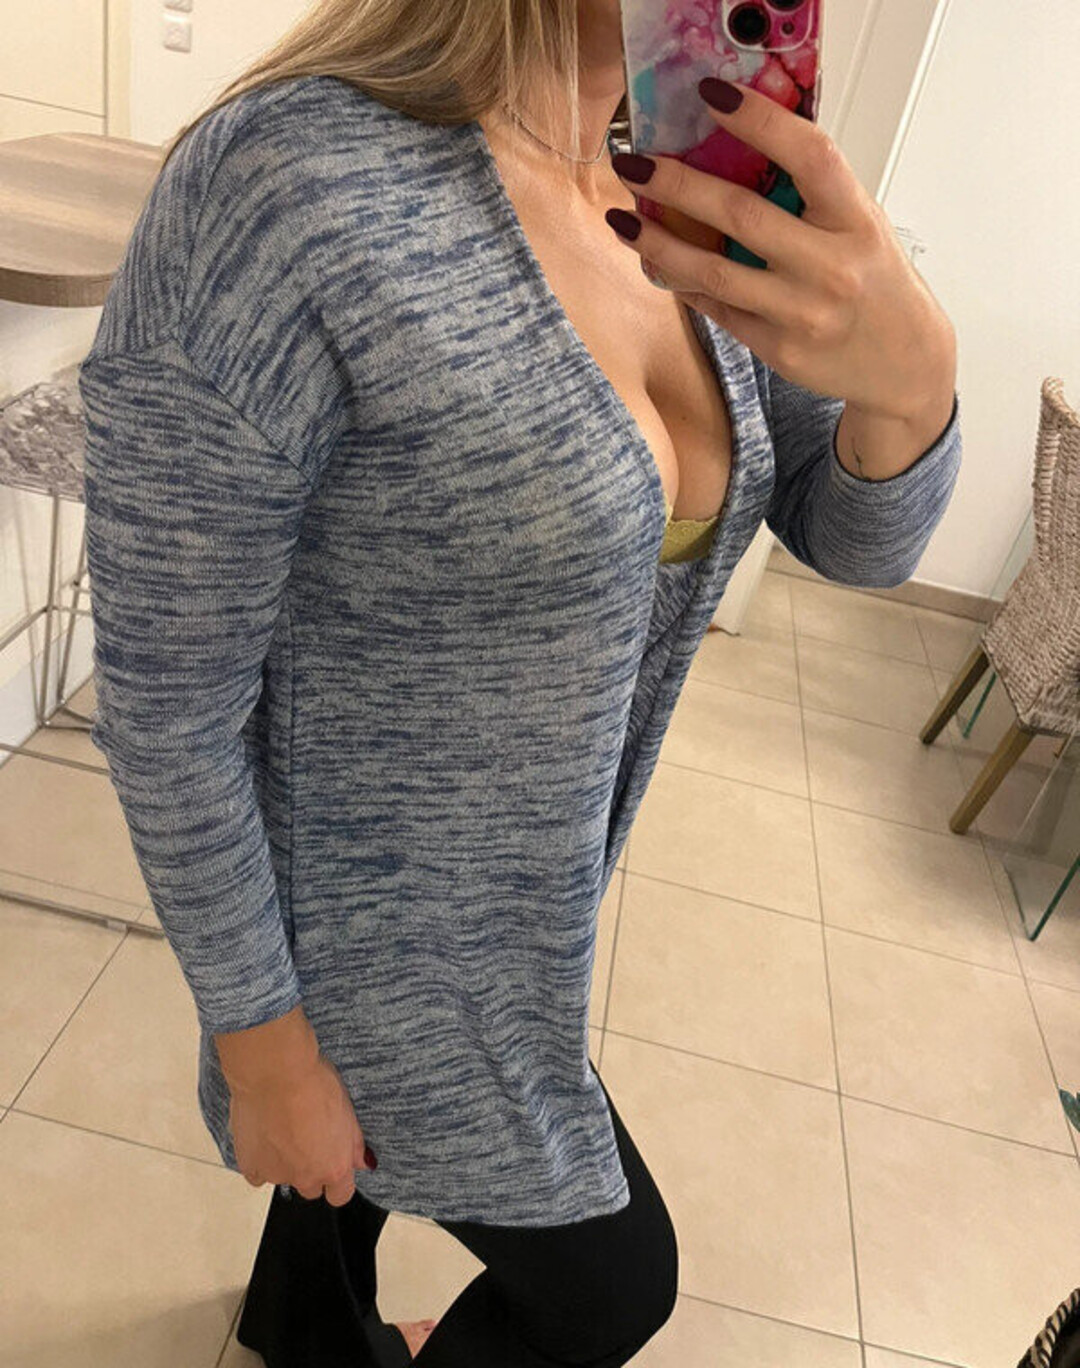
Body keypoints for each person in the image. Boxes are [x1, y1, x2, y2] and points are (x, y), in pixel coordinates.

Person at [79, 1, 962, 1363]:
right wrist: (267, 1056)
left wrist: (914, 382)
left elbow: (852, 542)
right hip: (362, 948)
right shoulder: (285, 183)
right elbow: (167, 706)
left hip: (525, 908)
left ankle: (298, 1323)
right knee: (613, 1287)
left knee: (355, 1186)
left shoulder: (685, 186)